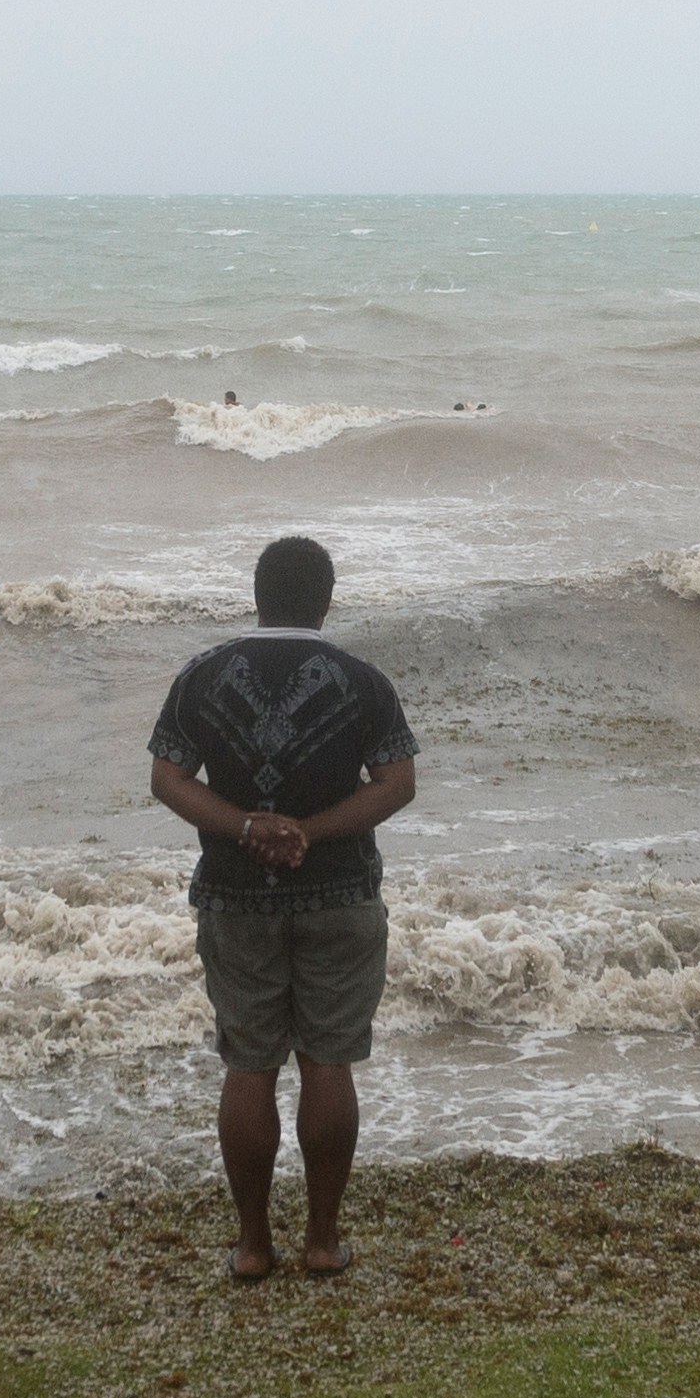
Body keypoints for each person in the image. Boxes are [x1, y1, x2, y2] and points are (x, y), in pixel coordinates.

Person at [146, 535, 418, 1281]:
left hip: (236, 897)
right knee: (328, 1061)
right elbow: (396, 783)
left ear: (257, 593)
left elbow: (167, 779)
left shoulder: (201, 675)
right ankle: (323, 1242)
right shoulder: (361, 680)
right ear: (325, 599)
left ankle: (254, 1245)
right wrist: (312, 830)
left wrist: (244, 826)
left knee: (249, 1064)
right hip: (340, 893)